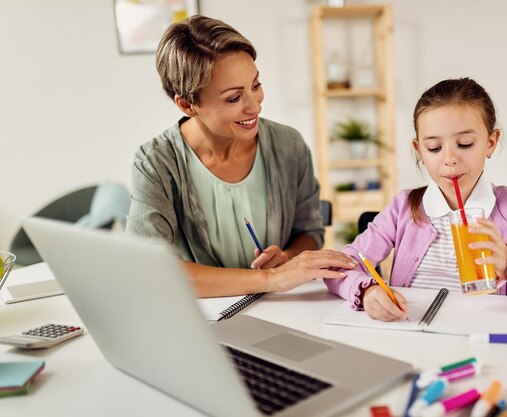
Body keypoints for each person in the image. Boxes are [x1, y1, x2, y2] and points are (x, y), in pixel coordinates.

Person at [325, 77, 507, 321]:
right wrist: (367, 291)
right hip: (413, 336)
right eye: (434, 147)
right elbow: (338, 268)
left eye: (465, 144)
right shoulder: (404, 207)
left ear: (491, 142)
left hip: (485, 341)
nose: (449, 158)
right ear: (419, 150)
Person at [126, 16, 356, 297]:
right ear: (187, 105)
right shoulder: (156, 163)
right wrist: (271, 278)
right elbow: (149, 271)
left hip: (283, 310)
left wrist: (288, 258)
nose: (255, 106)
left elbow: (309, 231)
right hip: (203, 322)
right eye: (234, 98)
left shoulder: (288, 145)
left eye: (256, 85)